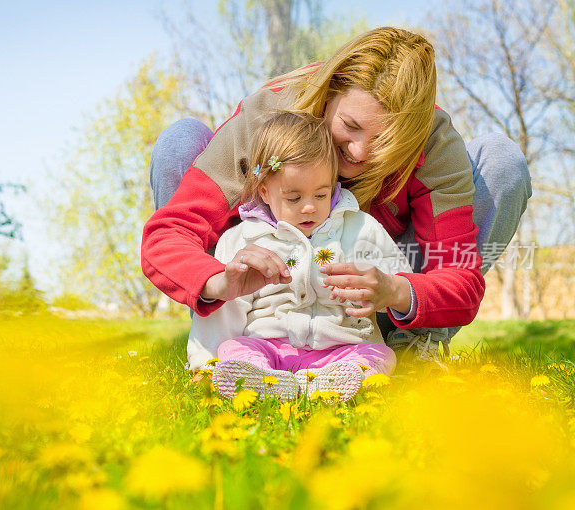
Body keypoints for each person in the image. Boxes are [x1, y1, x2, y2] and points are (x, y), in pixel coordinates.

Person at [142, 26, 531, 364]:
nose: (359, 152)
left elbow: (459, 278)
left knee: (501, 160)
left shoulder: (434, 146)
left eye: (385, 143)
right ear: (329, 92)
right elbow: (168, 234)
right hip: (262, 291)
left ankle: (411, 345)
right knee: (180, 142)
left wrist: (396, 289)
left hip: (375, 289)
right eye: (350, 126)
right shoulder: (267, 121)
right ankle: (226, 340)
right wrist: (218, 282)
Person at [188, 111, 412, 401]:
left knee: (377, 354)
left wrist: (381, 291)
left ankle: (335, 382)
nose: (309, 207)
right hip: (269, 346)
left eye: (321, 195)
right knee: (235, 350)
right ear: (265, 191)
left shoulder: (359, 228)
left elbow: (400, 282)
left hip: (341, 348)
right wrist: (205, 364)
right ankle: (261, 379)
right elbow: (225, 309)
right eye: (294, 198)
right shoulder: (245, 239)